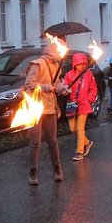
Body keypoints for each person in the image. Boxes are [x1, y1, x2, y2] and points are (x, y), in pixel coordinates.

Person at [24, 38, 66, 184]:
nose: (62, 54)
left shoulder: (56, 66)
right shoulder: (38, 64)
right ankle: (33, 172)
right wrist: (45, 87)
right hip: (35, 108)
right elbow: (29, 83)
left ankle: (57, 169)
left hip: (50, 108)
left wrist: (62, 88)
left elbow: (56, 84)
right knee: (35, 142)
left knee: (53, 141)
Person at [61, 52, 98, 161]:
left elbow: (93, 89)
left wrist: (89, 99)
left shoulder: (88, 74)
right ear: (74, 64)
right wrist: (65, 91)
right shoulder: (69, 75)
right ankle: (87, 142)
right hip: (72, 104)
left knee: (80, 128)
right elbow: (65, 87)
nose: (81, 66)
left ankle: (79, 151)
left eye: (83, 64)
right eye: (78, 64)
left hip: (83, 104)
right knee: (72, 128)